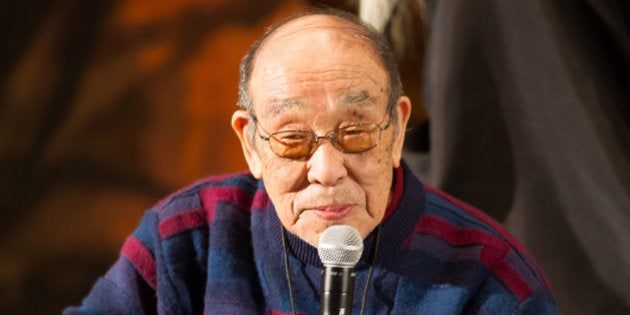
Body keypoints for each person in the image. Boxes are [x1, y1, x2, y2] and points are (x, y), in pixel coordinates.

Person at [64, 7, 557, 314]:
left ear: (397, 129)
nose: (326, 169)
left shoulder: (489, 279)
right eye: (293, 139)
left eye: (357, 132)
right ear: (250, 143)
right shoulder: (188, 238)